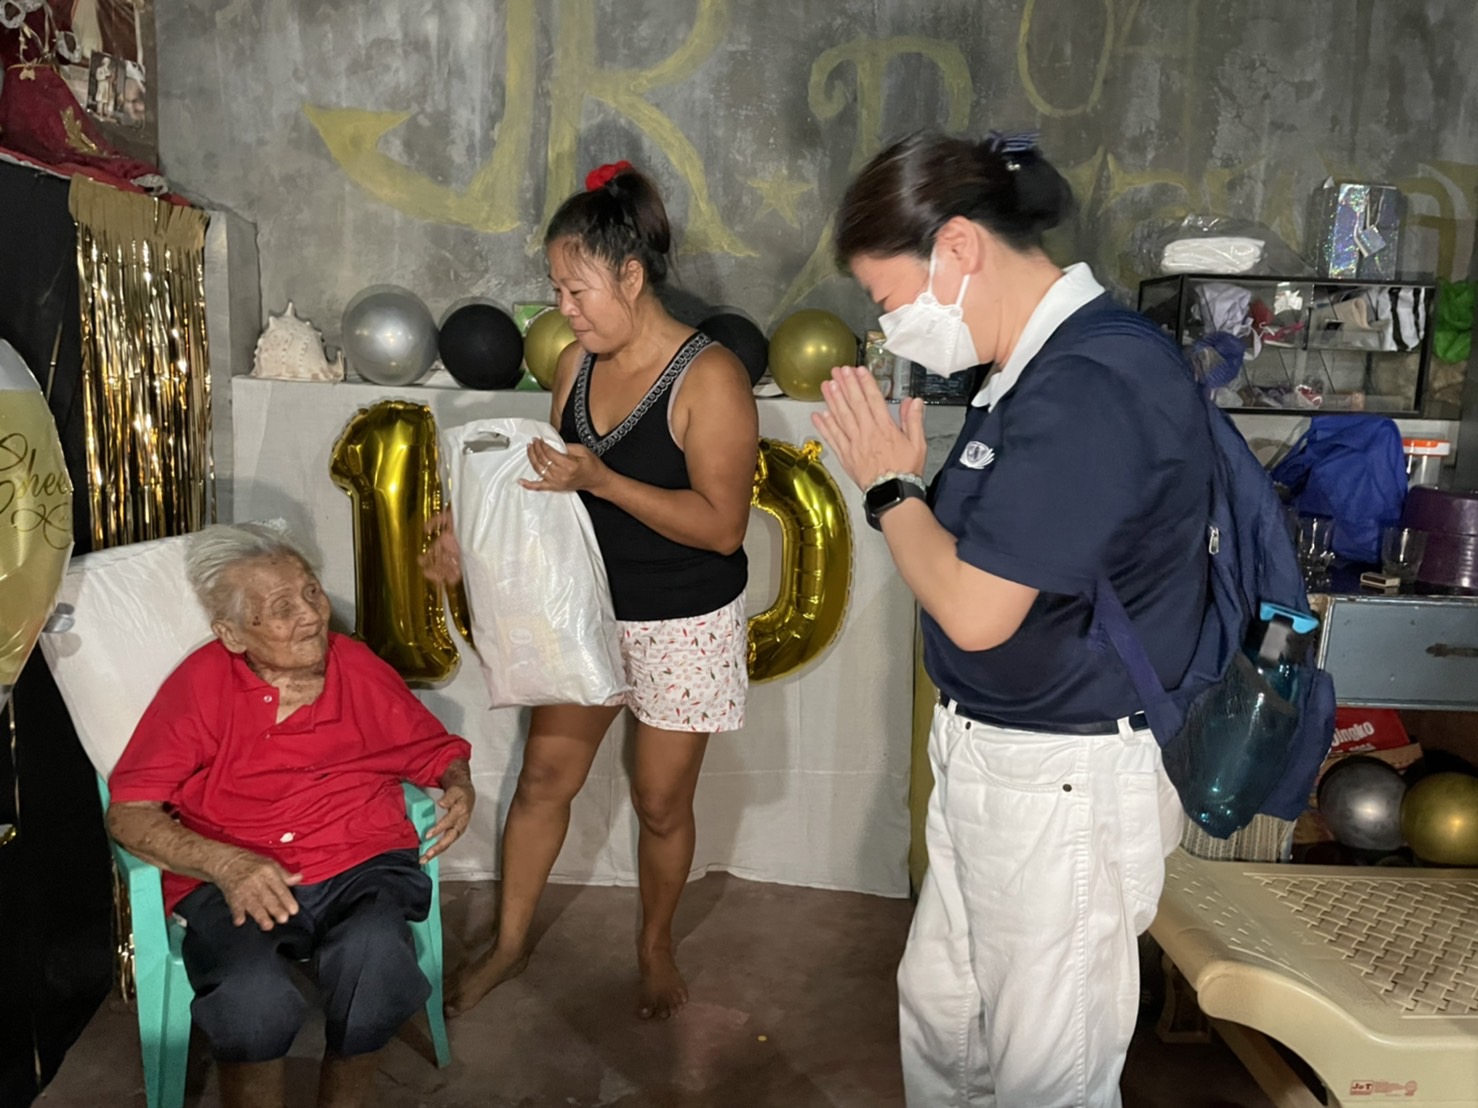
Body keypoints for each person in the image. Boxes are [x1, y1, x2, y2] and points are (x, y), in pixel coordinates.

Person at [811, 131, 1205, 1107]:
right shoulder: (1026, 371)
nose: (889, 327)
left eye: (889, 299)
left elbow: (975, 608)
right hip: (999, 763)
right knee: (947, 1024)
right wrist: (910, 492)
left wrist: (887, 487)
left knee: (1043, 1073)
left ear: (956, 250)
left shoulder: (1088, 383)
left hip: (1061, 778)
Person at [423, 162, 758, 1021]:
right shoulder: (574, 363)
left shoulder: (708, 376)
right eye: (556, 292)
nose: (561, 312)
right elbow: (540, 481)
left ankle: (653, 945)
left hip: (685, 619)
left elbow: (721, 526)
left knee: (658, 802)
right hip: (585, 609)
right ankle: (506, 943)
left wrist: (603, 481)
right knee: (543, 782)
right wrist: (466, 536)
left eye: (576, 291)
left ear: (631, 276)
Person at [106, 523, 475, 1108]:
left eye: (311, 592)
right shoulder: (201, 686)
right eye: (281, 607)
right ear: (231, 633)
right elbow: (128, 813)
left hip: (361, 857)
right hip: (237, 867)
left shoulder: (355, 666)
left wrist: (458, 784)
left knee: (375, 956)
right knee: (250, 994)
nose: (310, 614)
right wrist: (225, 864)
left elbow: (431, 749)